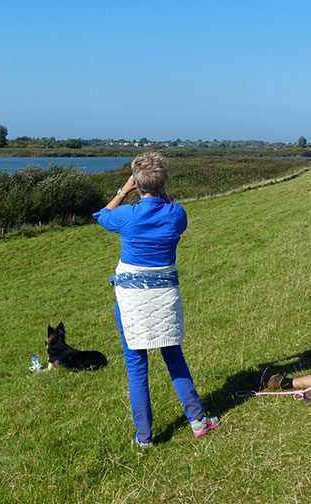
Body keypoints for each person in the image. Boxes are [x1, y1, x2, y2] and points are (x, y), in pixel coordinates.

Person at [93, 152, 219, 446]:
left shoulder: (127, 216)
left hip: (130, 301)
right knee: (174, 357)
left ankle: (144, 437)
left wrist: (123, 190)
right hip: (164, 298)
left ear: (137, 184)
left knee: (136, 365)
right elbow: (168, 205)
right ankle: (198, 420)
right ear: (164, 182)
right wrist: (158, 190)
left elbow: (100, 215)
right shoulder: (177, 214)